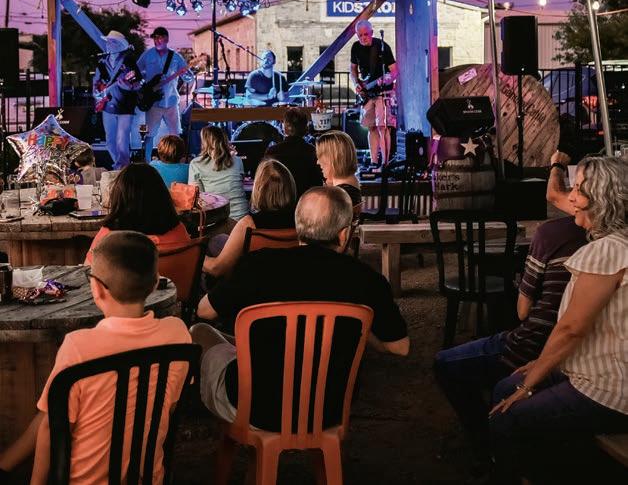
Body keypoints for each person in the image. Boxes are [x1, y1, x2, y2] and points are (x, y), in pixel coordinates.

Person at [192, 186, 409, 428]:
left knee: (199, 332)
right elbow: (400, 347)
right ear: (344, 234)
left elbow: (204, 311)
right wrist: (360, 326)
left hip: (255, 408)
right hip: (329, 410)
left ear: (298, 229)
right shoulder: (368, 279)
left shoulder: (258, 265)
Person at [0, 231, 191, 484]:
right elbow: (170, 405)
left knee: (53, 414)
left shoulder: (78, 347)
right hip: (147, 477)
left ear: (96, 289)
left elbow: (51, 428)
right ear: (155, 284)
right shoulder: (178, 334)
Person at [489, 156, 628, 483]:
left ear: (602, 199)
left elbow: (571, 329)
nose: (572, 198)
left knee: (507, 416)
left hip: (612, 389)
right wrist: (541, 364)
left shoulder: (606, 251)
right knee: (504, 387)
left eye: (579, 190)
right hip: (595, 369)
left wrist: (529, 385)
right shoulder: (616, 243)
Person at [433, 215, 587, 465]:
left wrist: (531, 380)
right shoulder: (599, 243)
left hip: (539, 344)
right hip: (569, 349)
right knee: (508, 385)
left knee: (446, 363)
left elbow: (526, 312)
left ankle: (486, 446)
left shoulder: (554, 234)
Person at [202, 158, 297, 279]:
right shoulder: (302, 220)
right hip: (288, 278)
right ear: (290, 186)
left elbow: (216, 269)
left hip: (252, 281)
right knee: (219, 239)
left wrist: (197, 256)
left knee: (213, 243)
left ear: (258, 189)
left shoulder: (249, 224)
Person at [85, 163, 190, 264]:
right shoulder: (179, 231)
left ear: (119, 198)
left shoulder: (107, 239)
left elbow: (87, 270)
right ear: (163, 195)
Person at [137, 27, 195, 162]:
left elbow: (188, 77)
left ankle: (177, 161)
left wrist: (187, 74)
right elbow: (136, 71)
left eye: (160, 37)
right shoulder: (147, 55)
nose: (157, 40)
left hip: (171, 101)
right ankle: (147, 163)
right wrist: (144, 86)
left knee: (176, 134)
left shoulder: (175, 57)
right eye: (155, 38)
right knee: (149, 135)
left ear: (167, 39)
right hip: (153, 102)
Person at [350, 20, 399, 167]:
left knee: (382, 127)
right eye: (360, 35)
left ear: (371, 33)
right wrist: (356, 83)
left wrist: (385, 79)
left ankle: (385, 163)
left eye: (366, 34)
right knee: (371, 127)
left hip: (383, 92)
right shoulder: (355, 47)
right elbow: (353, 68)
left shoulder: (382, 47)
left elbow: (394, 71)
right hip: (367, 93)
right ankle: (374, 162)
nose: (363, 38)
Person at [93, 30, 142, 170]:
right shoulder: (102, 62)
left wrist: (128, 86)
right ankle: (120, 165)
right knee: (110, 142)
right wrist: (96, 92)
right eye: (108, 42)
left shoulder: (128, 62)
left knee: (122, 140)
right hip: (107, 105)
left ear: (120, 45)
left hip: (125, 106)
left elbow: (138, 82)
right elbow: (96, 81)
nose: (109, 44)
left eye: (113, 42)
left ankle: (122, 168)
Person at [188, 126, 248, 221]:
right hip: (243, 217)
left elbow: (198, 198)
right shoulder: (237, 160)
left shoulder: (196, 164)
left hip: (218, 218)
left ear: (205, 142)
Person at [265, 107, 323, 197]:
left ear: (285, 127)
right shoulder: (311, 151)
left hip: (279, 201)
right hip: (307, 200)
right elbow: (318, 183)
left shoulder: (272, 152)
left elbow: (265, 184)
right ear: (306, 128)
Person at [316, 130, 361, 207]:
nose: (318, 162)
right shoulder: (350, 186)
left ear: (334, 158)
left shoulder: (338, 197)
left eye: (321, 156)